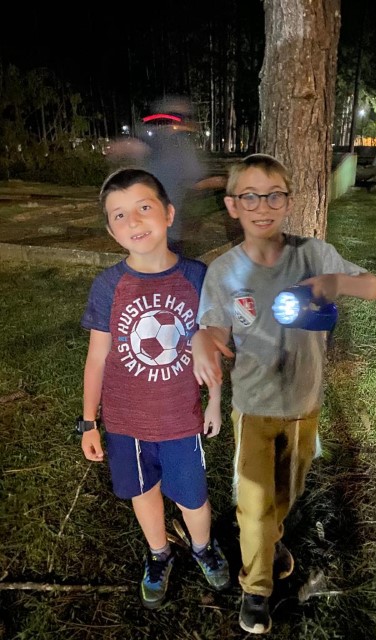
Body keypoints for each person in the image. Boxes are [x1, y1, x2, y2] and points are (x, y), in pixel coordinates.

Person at [191, 153, 376, 634]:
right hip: (254, 406)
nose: (263, 206)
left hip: (304, 405)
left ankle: (269, 541)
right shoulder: (224, 271)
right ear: (233, 206)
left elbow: (375, 288)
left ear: (289, 202)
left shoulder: (314, 255)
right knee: (254, 504)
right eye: (250, 197)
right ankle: (256, 589)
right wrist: (203, 341)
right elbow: (215, 329)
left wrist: (336, 282)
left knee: (286, 494)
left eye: (274, 195)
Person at [79, 167, 230, 611]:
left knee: (193, 498)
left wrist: (215, 401)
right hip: (125, 422)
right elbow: (97, 357)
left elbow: (214, 343)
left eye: (144, 207)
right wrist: (88, 422)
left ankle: (202, 547)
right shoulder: (108, 286)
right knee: (143, 494)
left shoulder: (197, 277)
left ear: (168, 213)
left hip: (180, 417)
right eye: (119, 215)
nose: (134, 221)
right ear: (111, 231)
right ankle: (159, 553)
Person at [106, 96, 225, 254]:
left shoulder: (182, 146)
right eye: (176, 117)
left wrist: (219, 182)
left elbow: (194, 181)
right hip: (157, 228)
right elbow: (134, 147)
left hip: (170, 227)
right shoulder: (158, 141)